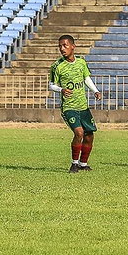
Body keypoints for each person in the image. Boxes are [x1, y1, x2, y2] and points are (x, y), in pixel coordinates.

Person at [48, 35, 103, 173]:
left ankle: (83, 164)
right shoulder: (57, 66)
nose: (62, 48)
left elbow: (86, 78)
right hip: (69, 107)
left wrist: (95, 91)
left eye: (65, 45)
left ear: (73, 46)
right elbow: (51, 85)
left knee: (89, 135)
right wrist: (61, 89)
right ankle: (74, 163)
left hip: (83, 107)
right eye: (60, 46)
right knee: (79, 133)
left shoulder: (81, 62)